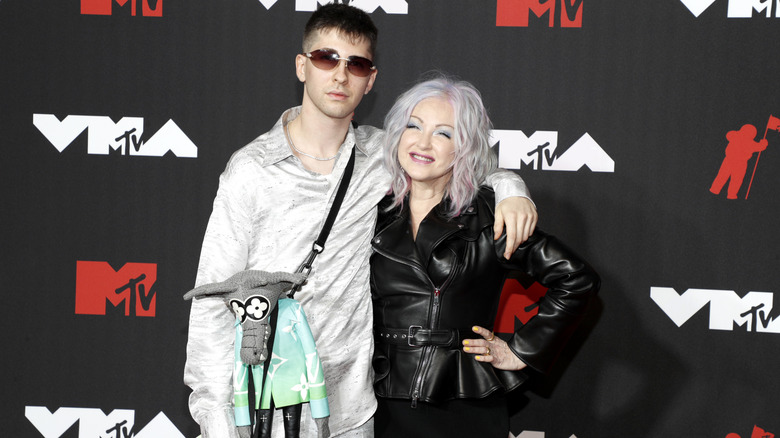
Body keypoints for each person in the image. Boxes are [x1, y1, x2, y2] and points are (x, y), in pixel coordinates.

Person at [184, 4, 538, 438]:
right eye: (325, 58)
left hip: (351, 416)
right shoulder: (251, 169)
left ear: (370, 79)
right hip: (260, 412)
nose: (339, 75)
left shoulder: (385, 159)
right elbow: (211, 300)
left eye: (356, 64)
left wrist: (510, 187)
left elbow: (462, 163)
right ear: (302, 66)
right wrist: (217, 421)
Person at [369, 76, 600, 438]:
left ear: (463, 148)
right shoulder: (370, 211)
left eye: (444, 133)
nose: (423, 142)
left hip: (461, 400)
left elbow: (575, 279)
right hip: (378, 399)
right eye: (413, 126)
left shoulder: (489, 215)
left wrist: (521, 351)